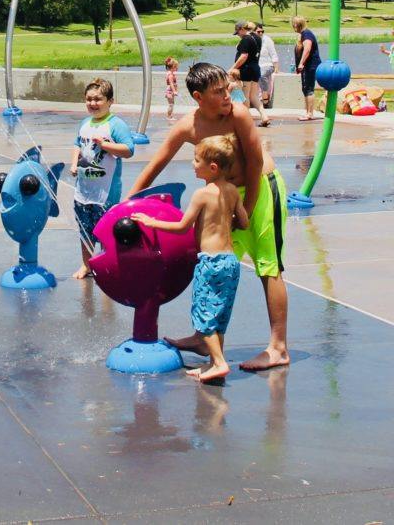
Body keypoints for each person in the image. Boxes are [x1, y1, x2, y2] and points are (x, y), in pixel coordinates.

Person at [128, 63, 290, 371]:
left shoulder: (238, 114)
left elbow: (254, 163)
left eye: (227, 87)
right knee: (213, 262)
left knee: (268, 265)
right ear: (198, 97)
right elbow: (156, 164)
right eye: (219, 91)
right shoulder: (188, 127)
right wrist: (128, 202)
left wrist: (248, 211)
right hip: (227, 197)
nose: (228, 95)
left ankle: (278, 347)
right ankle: (207, 338)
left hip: (262, 189)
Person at [132, 135, 249, 382]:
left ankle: (218, 362)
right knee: (219, 314)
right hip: (230, 261)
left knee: (205, 312)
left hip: (211, 262)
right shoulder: (231, 192)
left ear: (213, 168)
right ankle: (213, 362)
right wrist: (225, 220)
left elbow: (183, 227)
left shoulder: (202, 194)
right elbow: (245, 222)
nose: (193, 164)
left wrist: (151, 222)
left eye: (197, 161)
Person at [69, 78, 135, 281]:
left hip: (106, 192)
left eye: (98, 99)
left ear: (110, 101)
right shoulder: (85, 123)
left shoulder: (115, 125)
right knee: (85, 230)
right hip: (83, 189)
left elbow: (128, 150)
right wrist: (73, 163)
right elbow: (77, 144)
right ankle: (86, 265)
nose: (93, 103)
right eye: (89, 99)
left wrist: (106, 146)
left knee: (106, 231)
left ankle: (108, 265)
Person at [230, 21, 270, 126]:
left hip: (246, 70)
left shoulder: (245, 40)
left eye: (238, 32)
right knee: (254, 96)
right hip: (256, 69)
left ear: (242, 29)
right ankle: (264, 116)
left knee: (245, 96)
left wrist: (232, 68)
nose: (237, 35)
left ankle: (246, 121)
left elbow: (244, 56)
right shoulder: (257, 38)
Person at [292, 15, 322, 121]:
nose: (293, 26)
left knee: (309, 88)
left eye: (294, 24)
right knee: (305, 88)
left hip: (310, 65)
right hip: (307, 66)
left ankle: (310, 113)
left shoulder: (306, 34)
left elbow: (307, 49)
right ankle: (307, 112)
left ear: (298, 25)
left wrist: (301, 63)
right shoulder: (304, 34)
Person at [255, 23, 278, 109]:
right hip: (257, 65)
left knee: (261, 74)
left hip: (267, 65)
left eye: (262, 31)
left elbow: (273, 54)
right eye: (258, 32)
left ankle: (265, 96)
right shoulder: (252, 40)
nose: (260, 33)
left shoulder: (267, 40)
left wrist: (276, 67)